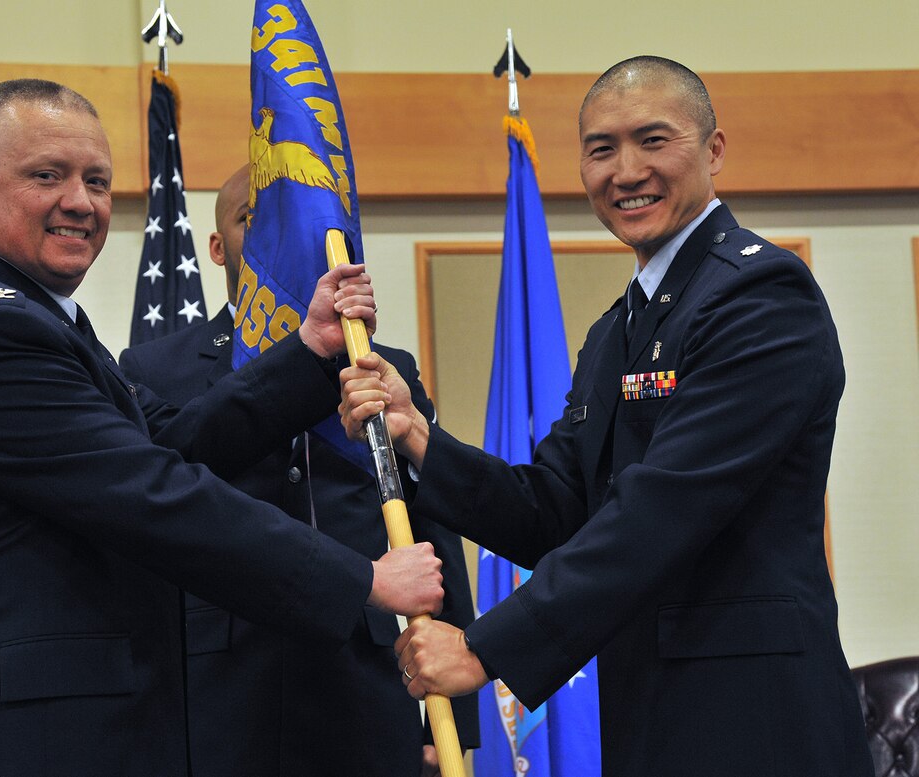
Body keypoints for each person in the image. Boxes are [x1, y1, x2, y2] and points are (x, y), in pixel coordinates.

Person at [0, 79, 446, 777]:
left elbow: (169, 442)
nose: (80, 201)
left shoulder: (34, 321)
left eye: (98, 181)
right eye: (47, 175)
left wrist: (310, 352)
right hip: (10, 741)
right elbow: (155, 491)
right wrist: (362, 581)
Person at [340, 56, 874, 777]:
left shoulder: (762, 295)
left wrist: (483, 646)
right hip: (649, 716)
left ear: (714, 150)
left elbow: (662, 510)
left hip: (756, 720)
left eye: (654, 140)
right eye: (601, 149)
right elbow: (554, 509)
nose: (626, 171)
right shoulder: (615, 331)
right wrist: (419, 437)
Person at [118, 166, 479, 777]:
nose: (270, 235)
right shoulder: (155, 367)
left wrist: (451, 714)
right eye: (250, 218)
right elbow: (151, 518)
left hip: (363, 679)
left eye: (287, 218)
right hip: (215, 683)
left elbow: (427, 524)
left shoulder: (381, 364)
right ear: (215, 246)